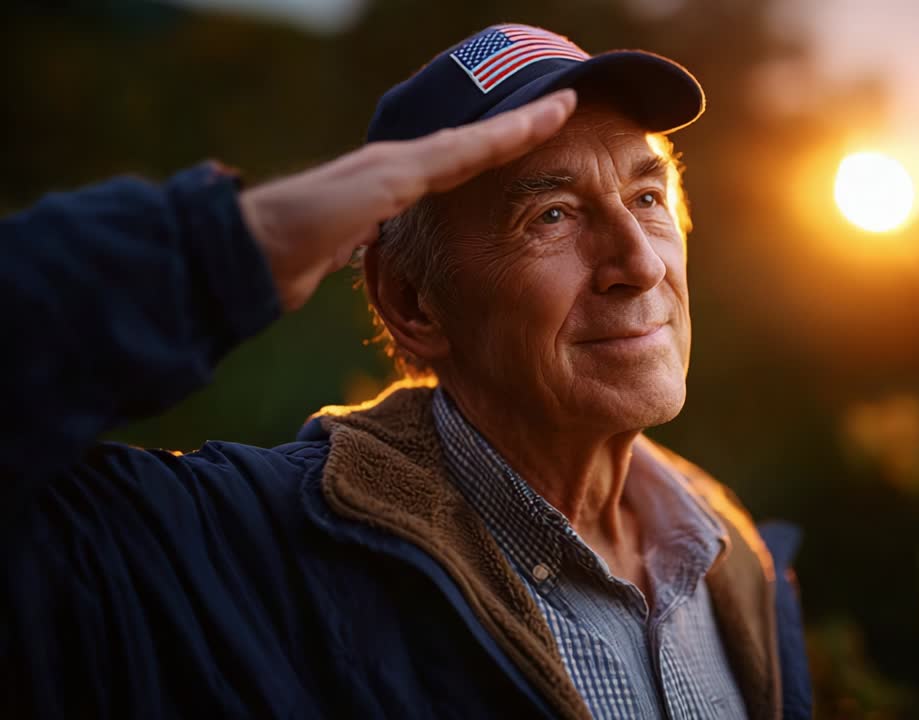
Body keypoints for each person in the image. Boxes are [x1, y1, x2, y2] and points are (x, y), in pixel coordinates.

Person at [1, 24, 810, 719]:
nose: (637, 263)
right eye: (551, 215)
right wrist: (229, 251)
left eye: (647, 197)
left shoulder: (735, 558)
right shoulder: (233, 563)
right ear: (412, 302)